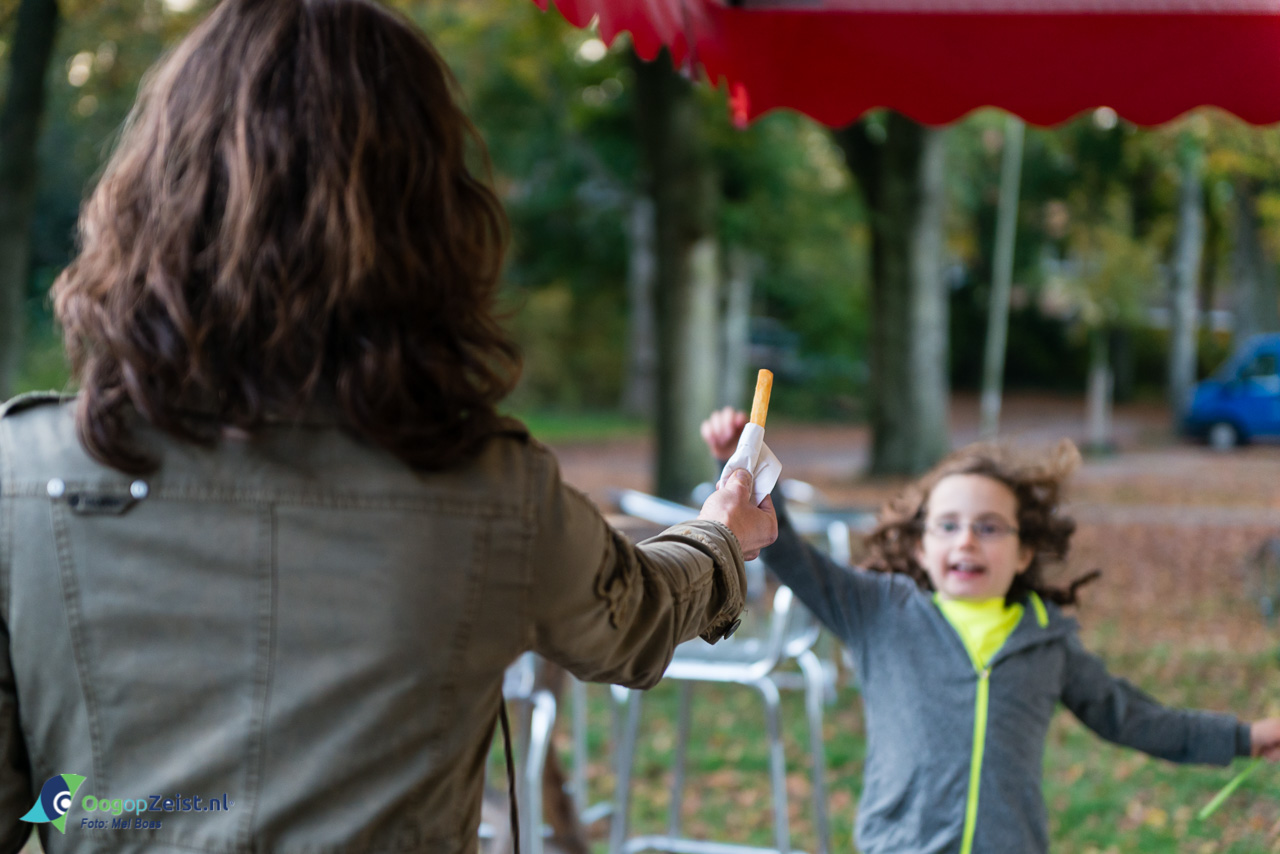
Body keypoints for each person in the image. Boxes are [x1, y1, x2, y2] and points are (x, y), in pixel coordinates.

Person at [0, 2, 780, 852]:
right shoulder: (493, 490)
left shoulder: (19, 476)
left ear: (151, 196)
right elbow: (629, 621)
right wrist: (721, 537)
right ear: (429, 218)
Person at [701, 407, 1280, 854]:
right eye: (948, 525)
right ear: (922, 546)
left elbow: (1133, 717)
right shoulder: (878, 610)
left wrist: (1243, 736)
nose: (967, 541)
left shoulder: (1047, 643)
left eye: (989, 527)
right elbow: (794, 559)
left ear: (1025, 550)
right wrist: (742, 467)